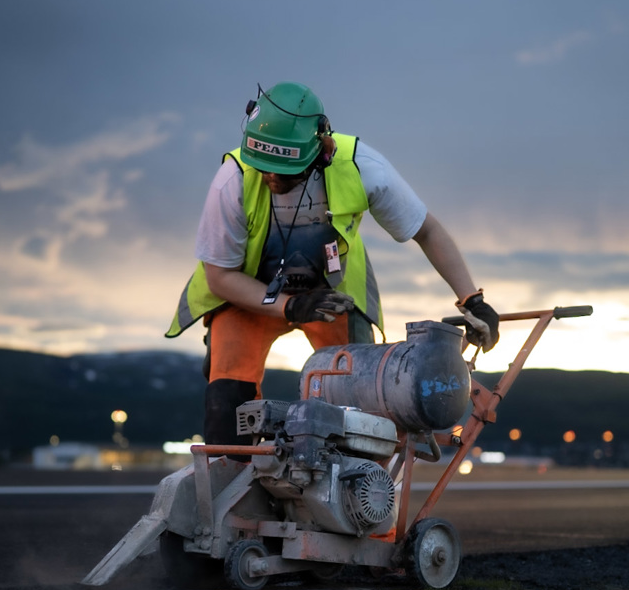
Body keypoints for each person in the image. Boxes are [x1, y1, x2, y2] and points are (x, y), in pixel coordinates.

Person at [166, 82, 499, 447]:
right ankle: (232, 489)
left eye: (285, 170)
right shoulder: (231, 180)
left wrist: (471, 299)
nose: (272, 178)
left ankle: (348, 494)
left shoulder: (363, 167)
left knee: (363, 401)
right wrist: (290, 306)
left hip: (331, 297)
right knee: (229, 402)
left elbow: (427, 231)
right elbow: (219, 276)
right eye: (264, 168)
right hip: (244, 294)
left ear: (321, 152)